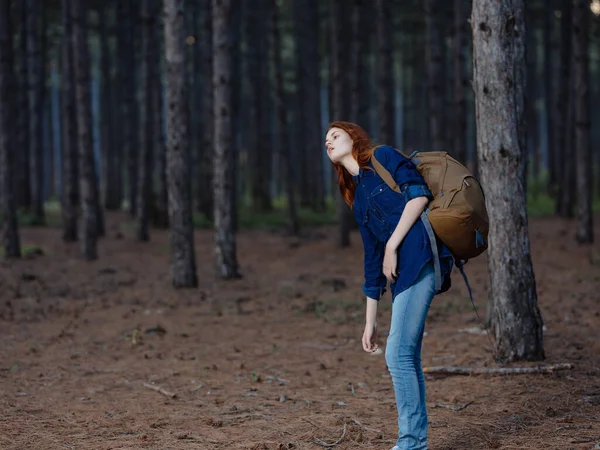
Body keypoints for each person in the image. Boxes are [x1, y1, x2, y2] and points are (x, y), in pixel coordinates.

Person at [324, 121, 453, 450]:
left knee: (397, 355)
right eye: (326, 140)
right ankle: (416, 442)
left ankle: (410, 444)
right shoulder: (358, 196)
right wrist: (370, 323)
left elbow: (418, 196)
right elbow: (372, 262)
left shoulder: (382, 157)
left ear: (354, 138)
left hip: (423, 256)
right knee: (407, 356)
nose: (328, 142)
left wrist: (393, 245)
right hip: (403, 275)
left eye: (335, 135)